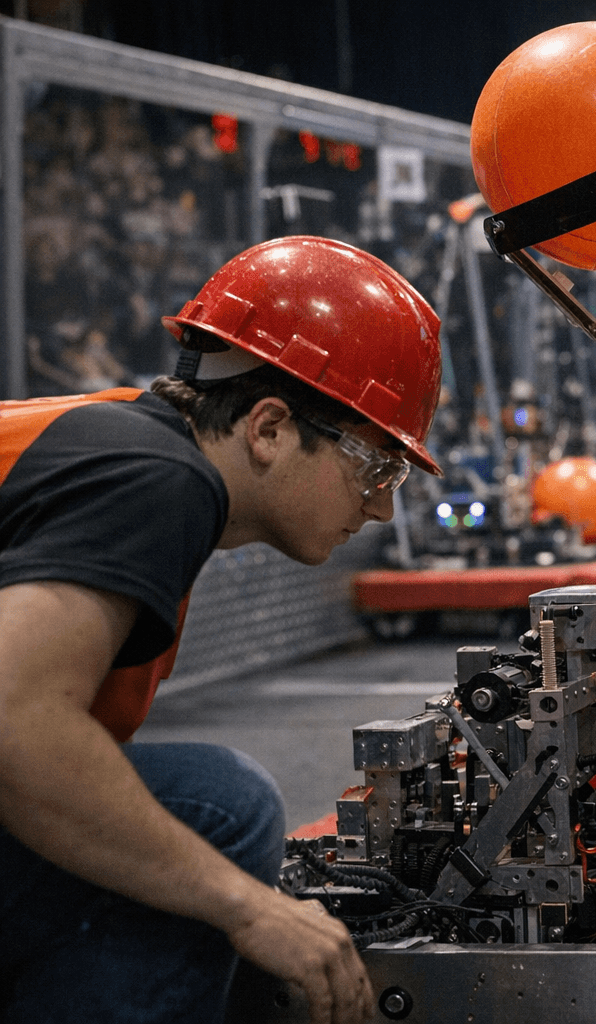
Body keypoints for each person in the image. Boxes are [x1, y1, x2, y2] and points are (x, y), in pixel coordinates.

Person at [0, 236, 443, 1024]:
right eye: (376, 468)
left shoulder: (114, 442)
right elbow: (13, 723)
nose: (381, 507)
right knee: (217, 808)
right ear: (268, 428)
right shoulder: (157, 481)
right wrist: (250, 910)